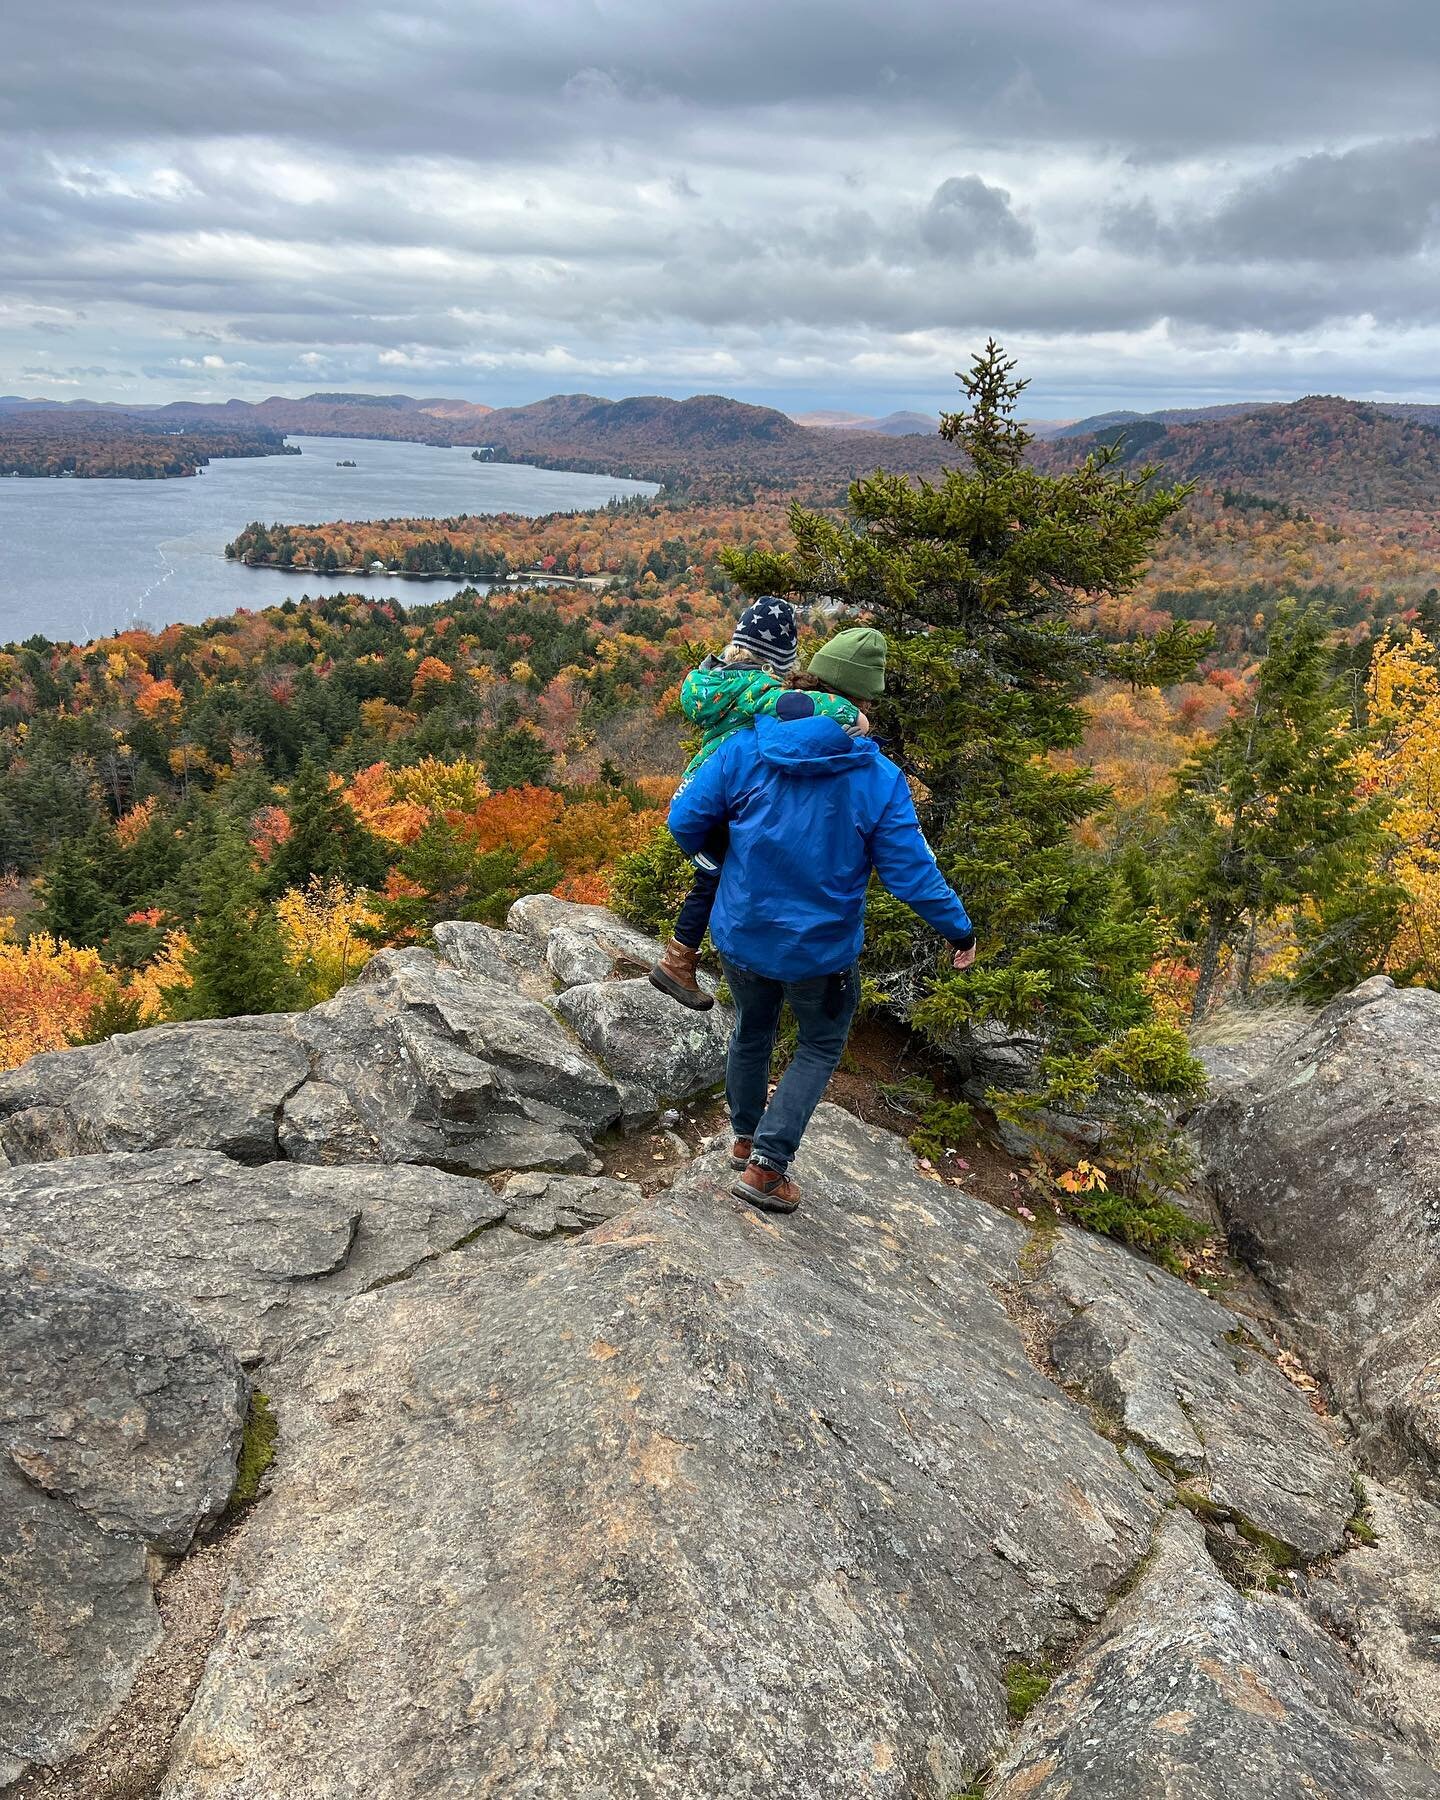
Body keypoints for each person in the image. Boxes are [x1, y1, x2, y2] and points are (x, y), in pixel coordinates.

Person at [667, 646, 975, 1215]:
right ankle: (766, 1167)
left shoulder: (745, 745)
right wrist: (960, 932)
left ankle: (744, 1137)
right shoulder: (878, 778)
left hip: (742, 933)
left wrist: (721, 863)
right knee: (817, 1044)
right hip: (821, 952)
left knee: (752, 1029)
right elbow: (912, 875)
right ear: (860, 701)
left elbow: (684, 821)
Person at [649, 599, 868, 1010]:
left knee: (710, 878)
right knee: (715, 879)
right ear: (776, 661)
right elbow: (810, 708)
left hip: (703, 787)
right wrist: (854, 714)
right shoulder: (759, 691)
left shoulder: (708, 680)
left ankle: (679, 958)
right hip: (726, 794)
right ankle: (679, 962)